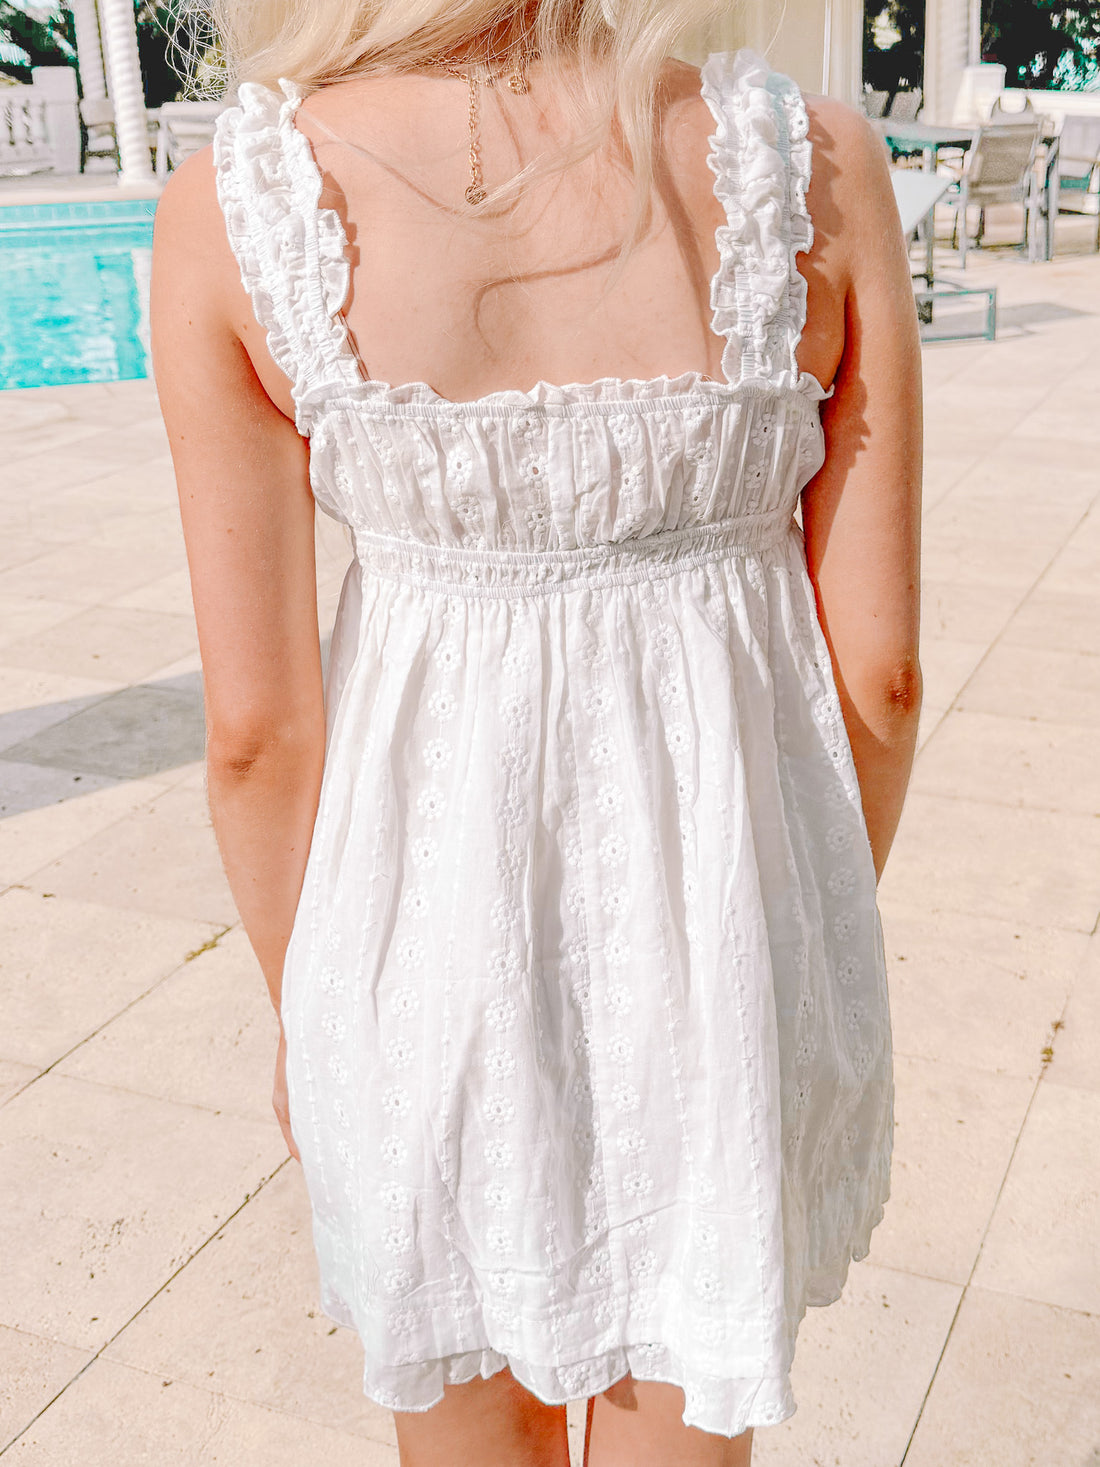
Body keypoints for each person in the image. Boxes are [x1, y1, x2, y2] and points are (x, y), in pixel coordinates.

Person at [150, 0, 922, 1462]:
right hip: (722, 952)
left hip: (418, 956)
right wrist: (783, 937)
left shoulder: (240, 205)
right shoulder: (807, 161)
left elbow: (258, 733)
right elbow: (877, 674)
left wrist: (309, 1004)